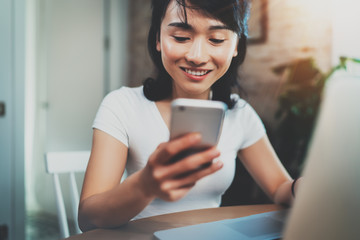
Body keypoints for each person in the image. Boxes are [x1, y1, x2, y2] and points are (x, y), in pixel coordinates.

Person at [78, 0, 300, 232]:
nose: (196, 56)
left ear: (235, 46)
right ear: (158, 39)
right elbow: (88, 218)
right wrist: (146, 185)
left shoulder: (240, 114)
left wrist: (302, 187)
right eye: (181, 37)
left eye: (216, 39)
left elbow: (280, 187)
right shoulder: (122, 106)